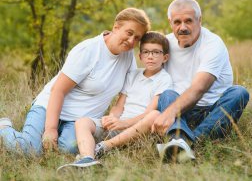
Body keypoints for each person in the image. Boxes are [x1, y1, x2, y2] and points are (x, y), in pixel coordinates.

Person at [0, 8, 151, 156]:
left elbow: (127, 94)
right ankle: (4, 128)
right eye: (129, 33)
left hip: (80, 120)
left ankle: (59, 135)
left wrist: (119, 118)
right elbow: (58, 90)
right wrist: (51, 129)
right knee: (30, 149)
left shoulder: (128, 56)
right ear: (116, 27)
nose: (132, 41)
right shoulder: (88, 50)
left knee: (70, 148)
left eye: (137, 38)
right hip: (50, 107)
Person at [152, 0, 250, 163]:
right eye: (177, 22)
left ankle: (186, 142)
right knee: (167, 94)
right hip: (181, 113)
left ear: (199, 20)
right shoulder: (165, 44)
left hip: (212, 111)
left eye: (188, 21)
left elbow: (199, 88)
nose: (182, 27)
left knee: (239, 92)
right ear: (170, 22)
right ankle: (183, 142)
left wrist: (167, 113)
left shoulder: (213, 44)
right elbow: (150, 79)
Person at [57, 31, 172, 170]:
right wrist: (111, 118)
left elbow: (149, 113)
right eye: (146, 52)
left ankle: (103, 147)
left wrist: (123, 123)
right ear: (140, 56)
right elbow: (119, 106)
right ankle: (88, 158)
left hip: (140, 128)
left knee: (154, 115)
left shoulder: (164, 79)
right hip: (120, 124)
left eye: (156, 52)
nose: (150, 56)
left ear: (165, 57)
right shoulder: (133, 74)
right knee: (83, 122)